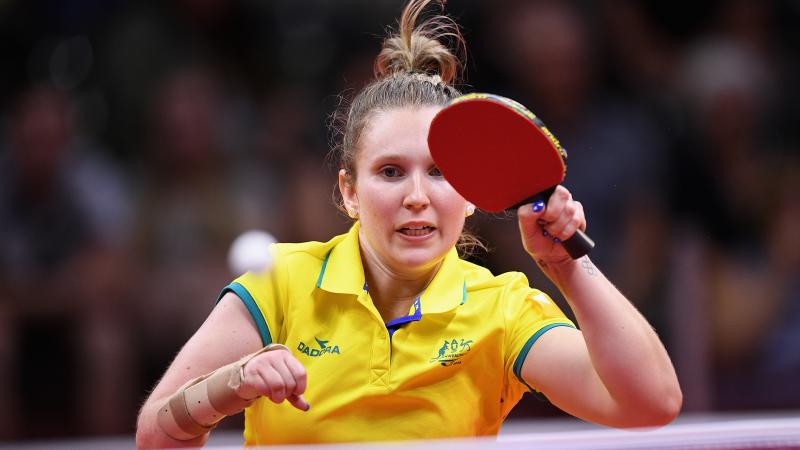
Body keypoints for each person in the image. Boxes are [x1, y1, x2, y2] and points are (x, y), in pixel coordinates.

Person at [135, 1, 682, 447]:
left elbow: (651, 405)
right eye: (391, 172)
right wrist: (232, 384)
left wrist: (567, 266)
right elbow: (154, 435)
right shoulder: (280, 283)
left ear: (469, 196)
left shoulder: (503, 309)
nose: (417, 197)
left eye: (441, 174)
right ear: (349, 192)